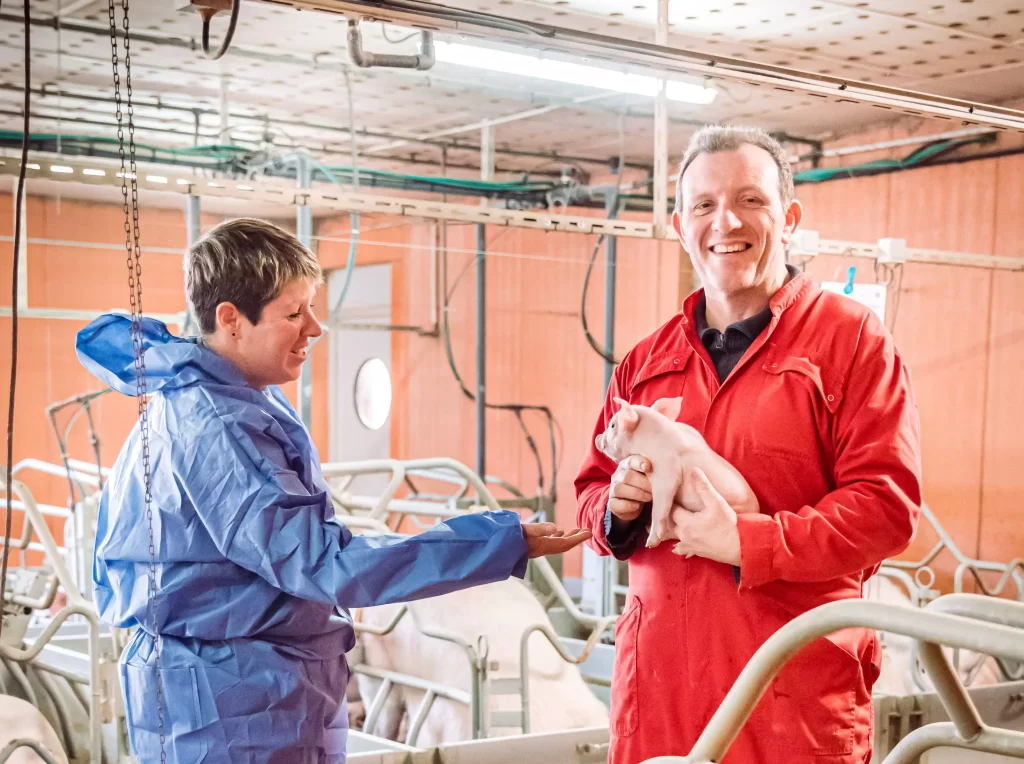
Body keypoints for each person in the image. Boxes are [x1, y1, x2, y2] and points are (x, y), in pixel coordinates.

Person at [76, 217, 590, 764]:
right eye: (293, 313)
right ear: (230, 320)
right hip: (241, 714)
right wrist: (498, 542)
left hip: (229, 698)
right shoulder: (221, 426)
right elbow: (327, 564)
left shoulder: (207, 398)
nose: (314, 328)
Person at [574, 125, 922, 764]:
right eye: (703, 205)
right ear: (681, 226)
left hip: (790, 696)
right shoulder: (645, 362)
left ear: (788, 218)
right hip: (661, 696)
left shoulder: (851, 342)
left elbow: (886, 509)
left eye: (750, 200)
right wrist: (616, 511)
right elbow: (589, 492)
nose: (724, 221)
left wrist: (749, 541)